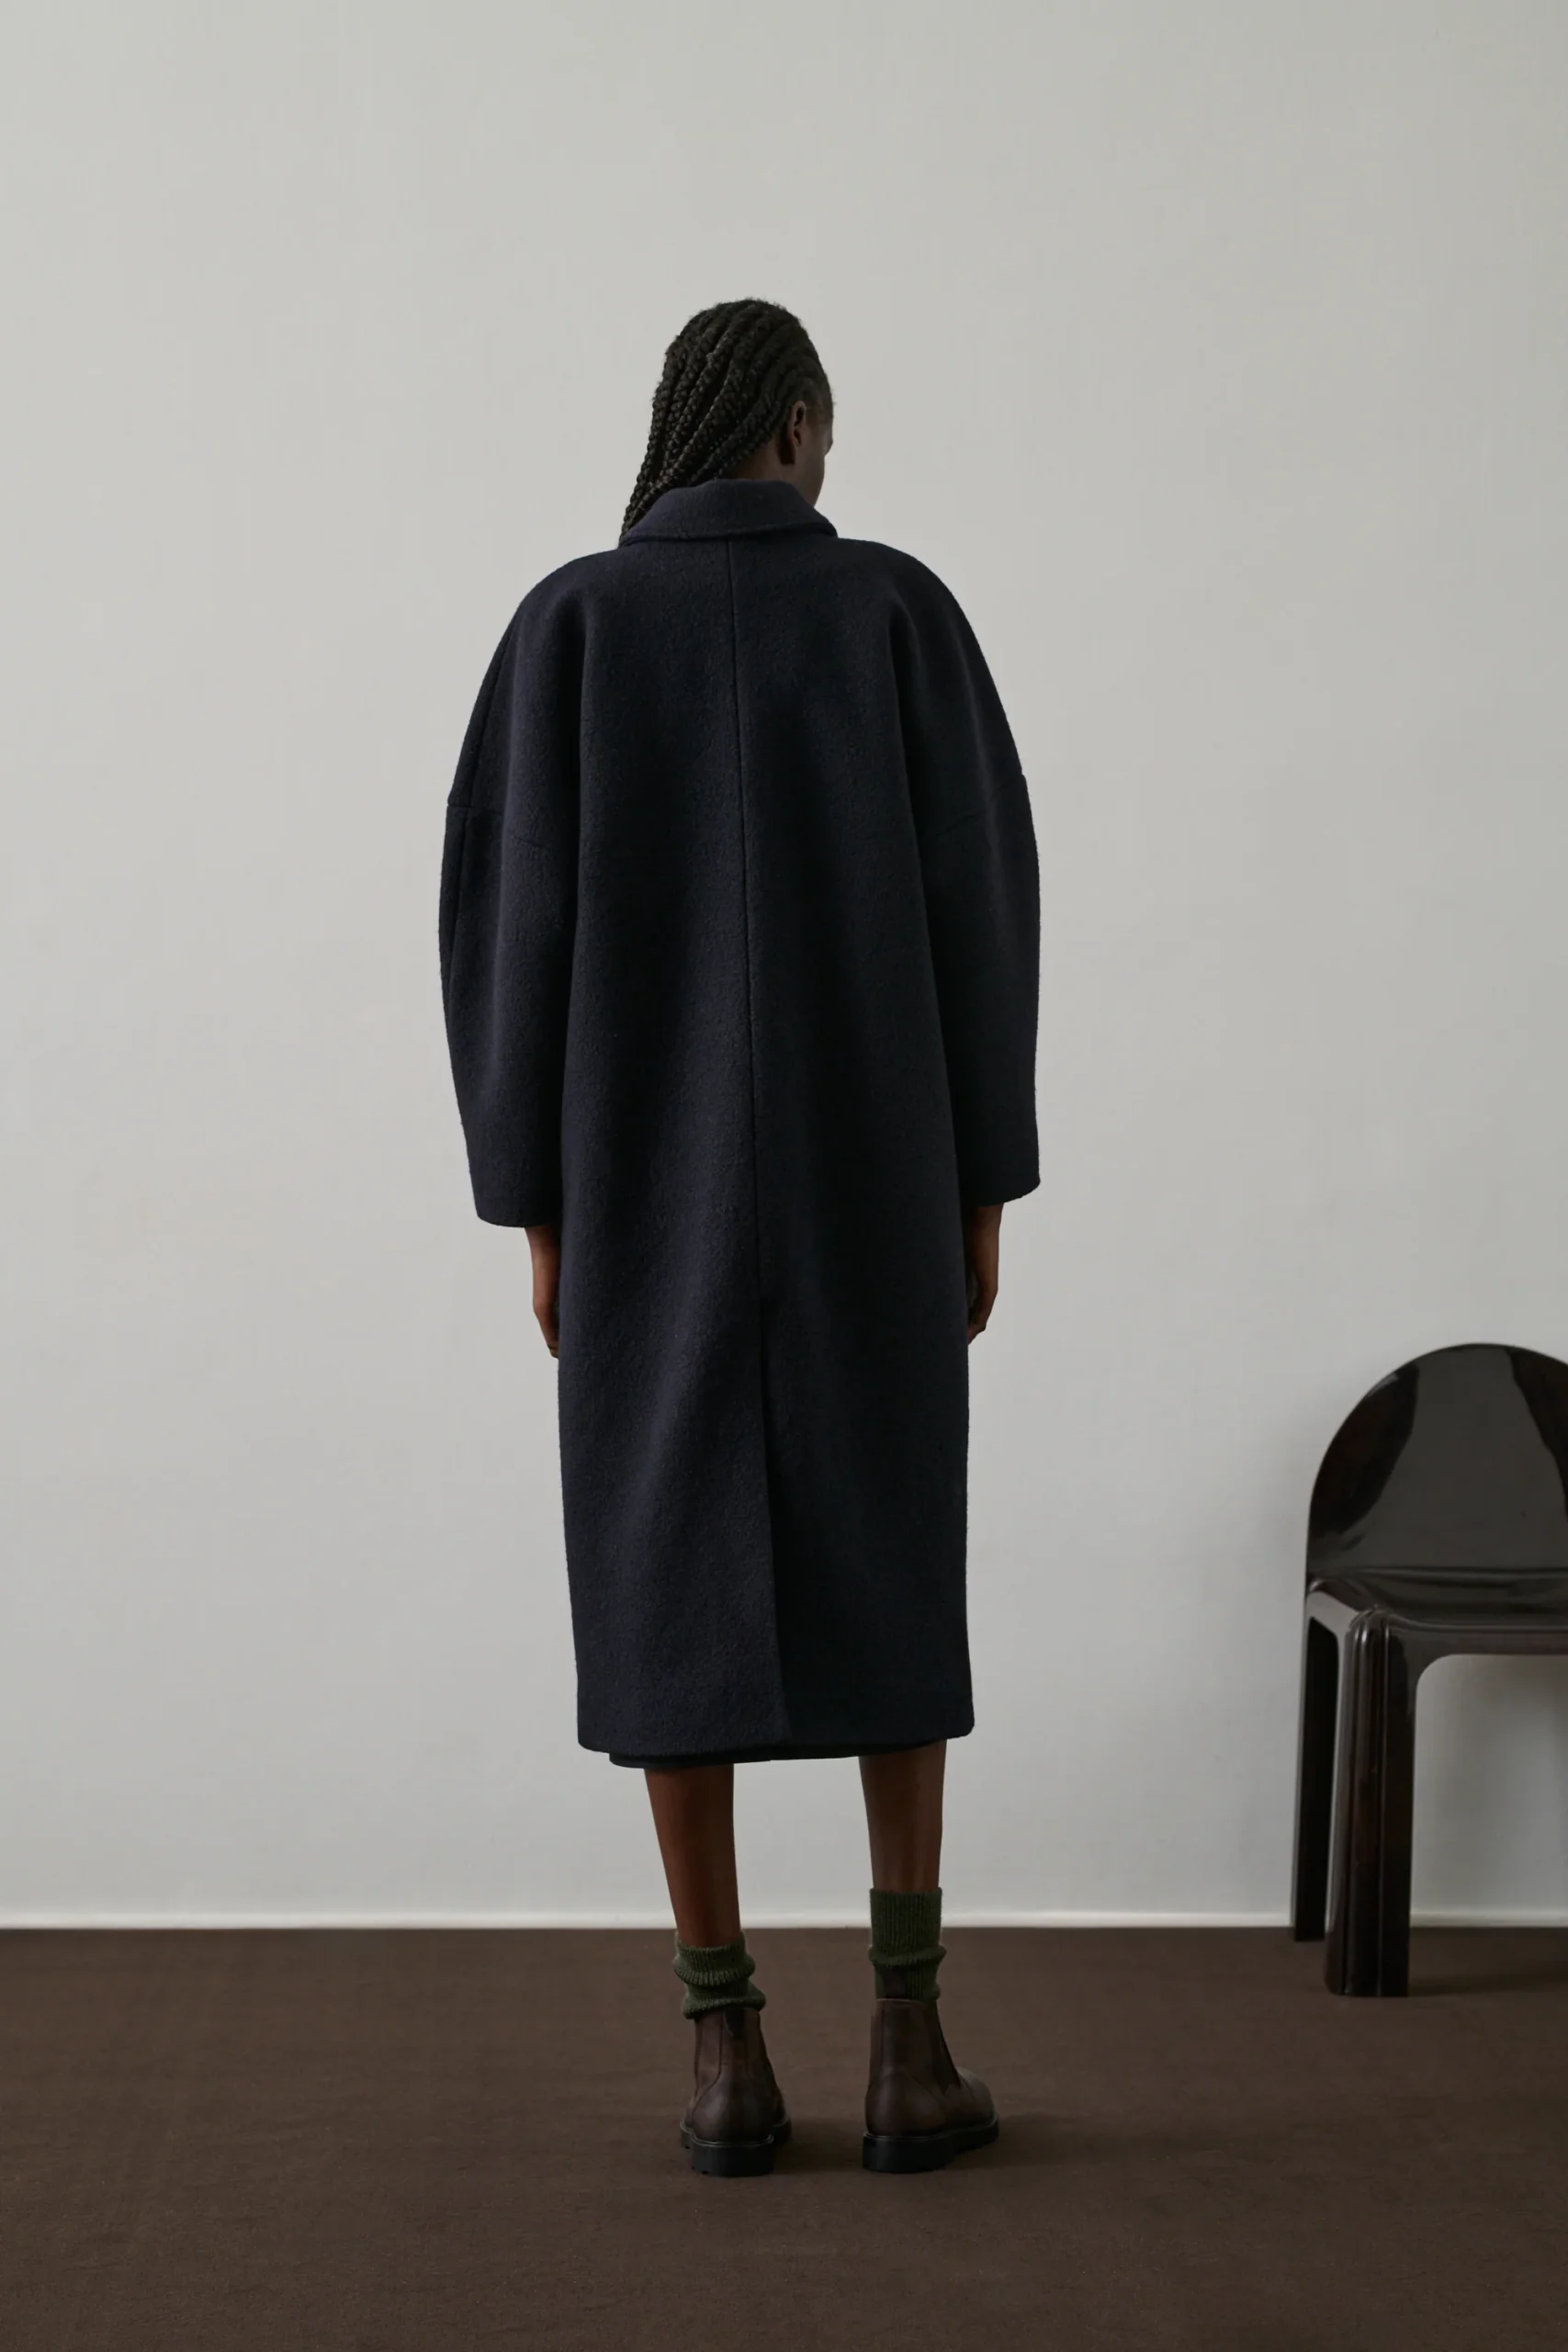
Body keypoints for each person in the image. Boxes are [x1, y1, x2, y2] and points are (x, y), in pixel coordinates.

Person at [439, 299, 1040, 2177]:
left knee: (658, 1568)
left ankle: (724, 2053)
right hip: (877, 1173)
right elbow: (981, 912)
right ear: (791, 424)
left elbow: (507, 934)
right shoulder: (894, 613)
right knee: (891, 1555)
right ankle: (908, 2044)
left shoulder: (569, 629)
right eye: (824, 431)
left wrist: (534, 1203)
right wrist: (980, 1180)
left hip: (641, 1181)